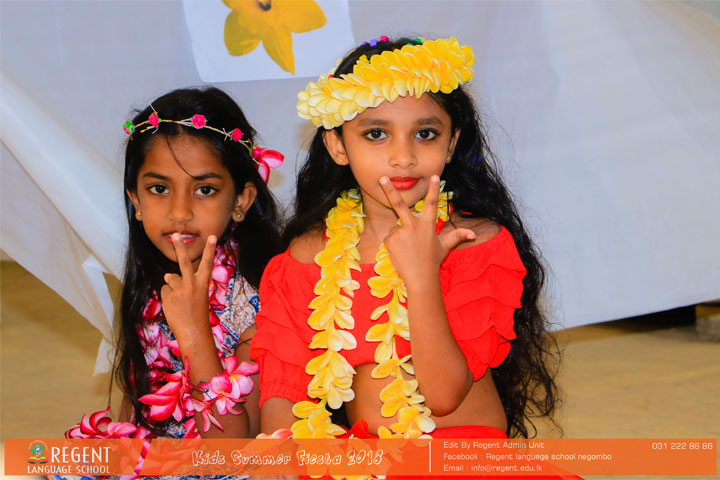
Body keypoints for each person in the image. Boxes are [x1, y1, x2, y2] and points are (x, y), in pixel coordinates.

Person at [251, 36, 563, 446]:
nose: (403, 156)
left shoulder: (474, 244)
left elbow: (443, 395)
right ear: (338, 145)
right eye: (376, 134)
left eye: (426, 133)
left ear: (451, 144)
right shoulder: (308, 257)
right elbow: (284, 390)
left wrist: (421, 276)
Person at [66, 87, 283, 446]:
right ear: (135, 200)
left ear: (241, 201)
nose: (179, 212)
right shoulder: (153, 282)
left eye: (205, 190)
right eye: (159, 189)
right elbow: (134, 417)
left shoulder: (257, 302)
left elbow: (232, 450)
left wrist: (194, 332)